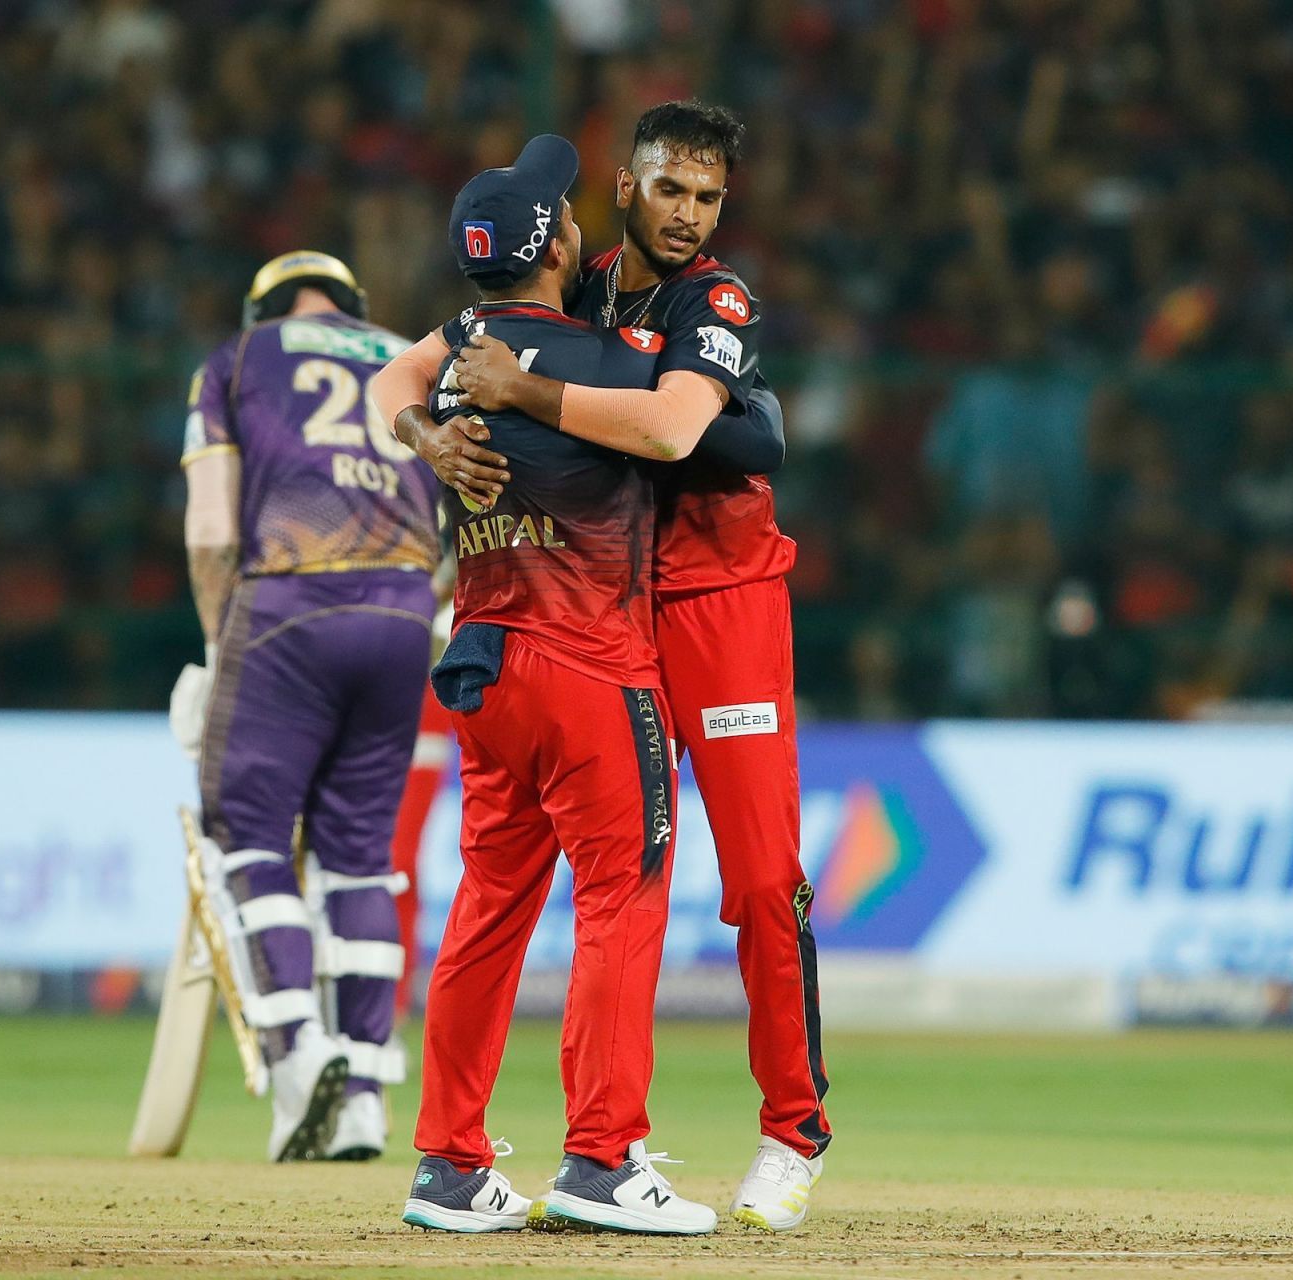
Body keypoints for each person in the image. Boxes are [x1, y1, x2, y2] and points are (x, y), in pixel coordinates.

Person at [373, 101, 828, 1232]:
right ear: (617, 193)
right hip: (595, 615)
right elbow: (398, 376)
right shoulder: (559, 289)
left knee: (764, 876)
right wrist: (429, 437)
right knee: (596, 878)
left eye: (709, 197)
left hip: (718, 605)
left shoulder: (714, 300)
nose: (689, 214)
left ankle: (790, 1130)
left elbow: (695, 435)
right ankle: (596, 1151)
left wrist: (519, 394)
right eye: (670, 189)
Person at [173, 250, 440, 1161]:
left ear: (264, 306)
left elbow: (212, 525)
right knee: (361, 859)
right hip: (406, 607)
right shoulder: (413, 354)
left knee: (246, 832)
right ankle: (363, 1087)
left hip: (289, 603)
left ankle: (297, 1062)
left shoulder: (238, 358)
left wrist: (217, 651)